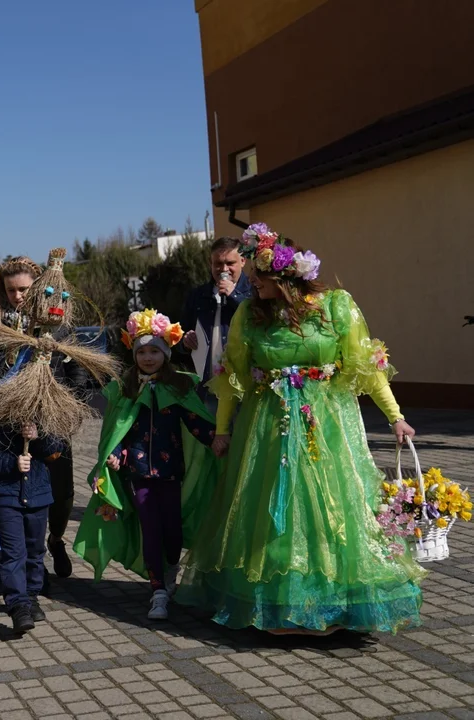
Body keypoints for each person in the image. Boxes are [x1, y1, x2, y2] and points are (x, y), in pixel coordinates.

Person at [178, 223, 424, 635]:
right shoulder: (249, 314)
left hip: (327, 425)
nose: (250, 281)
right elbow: (231, 377)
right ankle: (279, 607)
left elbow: (367, 365)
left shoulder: (336, 306)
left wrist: (395, 416)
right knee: (276, 512)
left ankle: (336, 605)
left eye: (257, 276)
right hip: (266, 429)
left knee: (334, 509)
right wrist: (222, 430)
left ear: (285, 277)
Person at [74, 310, 218, 622]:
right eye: (142, 351)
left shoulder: (178, 387)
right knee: (150, 530)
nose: (148, 357)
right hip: (138, 474)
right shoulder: (125, 388)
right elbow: (118, 428)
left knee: (172, 531)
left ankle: (169, 571)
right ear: (134, 354)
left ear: (166, 353)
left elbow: (195, 421)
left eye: (155, 351)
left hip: (171, 474)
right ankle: (158, 591)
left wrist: (217, 440)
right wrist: (115, 454)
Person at [0, 256, 85, 581]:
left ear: (38, 288)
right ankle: (28, 565)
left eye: (23, 289)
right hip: (14, 430)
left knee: (62, 492)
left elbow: (78, 373)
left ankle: (56, 538)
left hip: (53, 426)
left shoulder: (58, 327)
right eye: (11, 291)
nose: (18, 296)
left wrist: (62, 399)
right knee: (23, 494)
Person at [0, 419, 63, 633]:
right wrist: (12, 463)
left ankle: (31, 595)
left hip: (38, 496)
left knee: (35, 551)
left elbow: (56, 449)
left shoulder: (43, 417)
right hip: (7, 498)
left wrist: (37, 436)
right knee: (14, 553)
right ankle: (18, 605)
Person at [179, 237, 252, 394]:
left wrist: (234, 296)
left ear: (243, 261)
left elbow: (258, 320)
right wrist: (185, 340)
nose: (224, 269)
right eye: (218, 264)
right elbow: (179, 334)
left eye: (230, 263)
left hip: (244, 388)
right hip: (207, 388)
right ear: (210, 263)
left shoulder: (255, 291)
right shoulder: (198, 296)